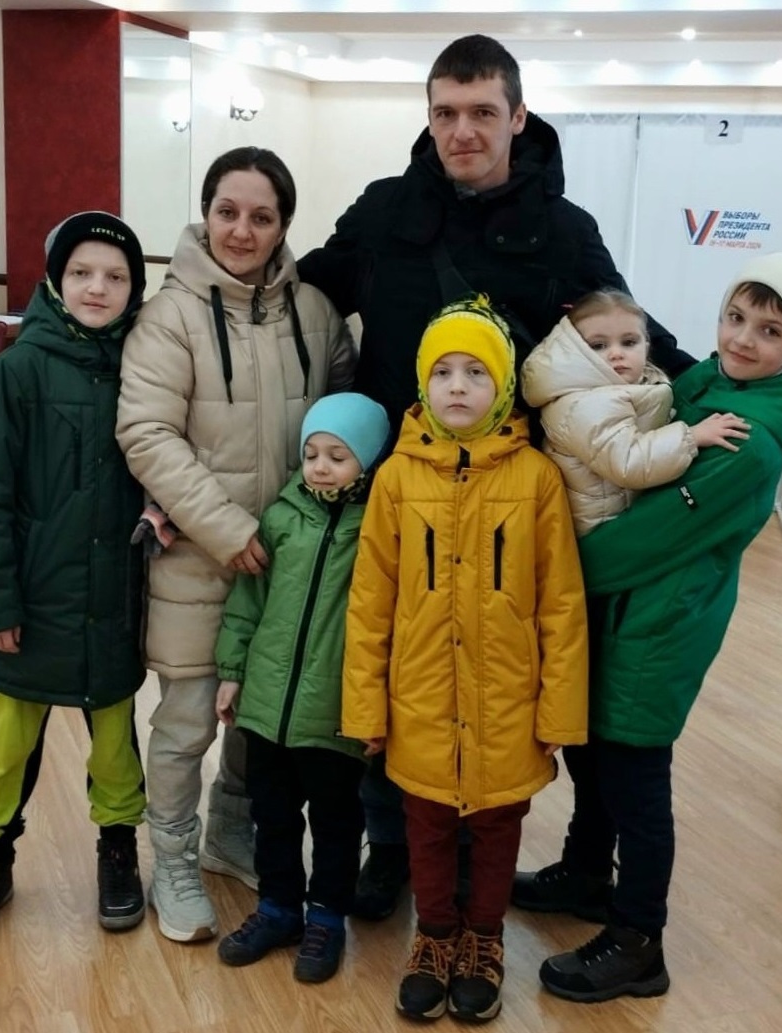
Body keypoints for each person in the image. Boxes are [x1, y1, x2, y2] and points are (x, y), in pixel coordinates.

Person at [298, 31, 694, 923]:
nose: (462, 131)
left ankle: (522, 857)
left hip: (520, 496)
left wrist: (734, 391)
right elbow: (303, 291)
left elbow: (630, 335)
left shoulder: (563, 227)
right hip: (402, 483)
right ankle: (394, 846)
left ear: (517, 117)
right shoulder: (384, 208)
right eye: (445, 112)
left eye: (482, 112)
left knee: (522, 670)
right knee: (401, 665)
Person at [521, 252, 782, 1004]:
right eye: (735, 317)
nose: (742, 339)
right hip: (625, 607)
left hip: (657, 620)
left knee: (634, 775)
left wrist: (542, 575)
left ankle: (638, 941)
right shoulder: (719, 382)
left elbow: (642, 540)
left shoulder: (751, 439)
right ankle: (585, 873)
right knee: (595, 750)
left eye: (769, 330)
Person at [116, 146, 356, 944]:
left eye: (261, 216)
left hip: (290, 568)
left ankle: (228, 832)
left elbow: (345, 421)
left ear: (284, 224)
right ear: (205, 213)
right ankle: (172, 859)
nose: (242, 230)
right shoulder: (169, 316)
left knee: (261, 720)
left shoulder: (316, 313)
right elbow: (146, 433)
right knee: (187, 722)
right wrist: (226, 529)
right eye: (227, 211)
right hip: (198, 557)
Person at [342, 296, 588, 1023]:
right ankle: (435, 936)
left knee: (496, 828)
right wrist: (366, 706)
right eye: (442, 371)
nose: (457, 386)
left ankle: (483, 938)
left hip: (506, 702)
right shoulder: (395, 478)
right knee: (423, 826)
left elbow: (561, 605)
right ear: (422, 383)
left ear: (503, 386)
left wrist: (557, 713)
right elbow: (370, 602)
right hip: (418, 700)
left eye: (475, 372)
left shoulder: (536, 478)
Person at [0, 211, 149, 947]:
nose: (98, 287)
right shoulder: (17, 369)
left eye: (116, 276)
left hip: (113, 595)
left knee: (116, 743)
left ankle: (117, 850)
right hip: (31, 598)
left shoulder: (143, 368)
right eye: (82, 272)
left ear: (134, 288)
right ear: (56, 281)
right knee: (7, 745)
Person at [212, 393, 390, 984]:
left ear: (367, 460)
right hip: (267, 706)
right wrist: (233, 672)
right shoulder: (282, 516)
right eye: (311, 454)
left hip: (336, 711)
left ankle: (327, 917)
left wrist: (379, 708)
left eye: (337, 456)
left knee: (337, 823)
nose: (320, 467)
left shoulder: (379, 528)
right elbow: (248, 601)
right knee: (273, 815)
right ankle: (278, 908)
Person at [523, 290, 750, 536]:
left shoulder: (638, 380)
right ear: (575, 350)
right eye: (598, 346)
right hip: (600, 531)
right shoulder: (584, 404)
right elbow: (628, 463)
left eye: (629, 342)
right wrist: (692, 436)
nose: (616, 353)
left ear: (646, 344)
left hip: (627, 510)